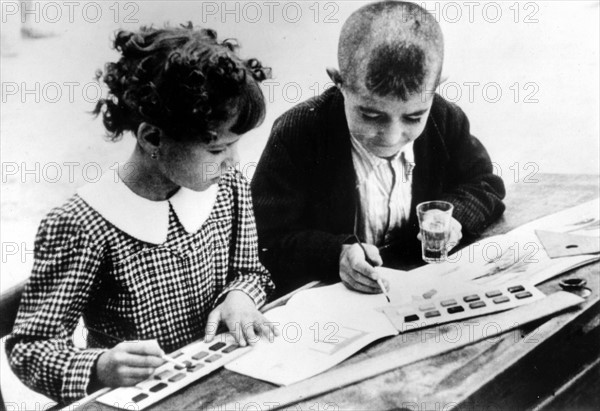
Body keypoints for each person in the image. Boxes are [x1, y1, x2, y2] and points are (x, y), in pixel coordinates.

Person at [6, 23, 276, 404]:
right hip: (141, 398)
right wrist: (99, 366)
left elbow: (249, 270)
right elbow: (31, 348)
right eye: (217, 151)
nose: (233, 163)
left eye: (235, 147)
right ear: (152, 138)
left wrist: (241, 296)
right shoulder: (85, 224)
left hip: (224, 384)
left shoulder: (226, 188)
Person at [251, 1, 506, 297]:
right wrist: (336, 254)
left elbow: (485, 185)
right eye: (371, 115)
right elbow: (264, 239)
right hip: (329, 303)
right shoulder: (299, 133)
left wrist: (456, 216)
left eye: (413, 117)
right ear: (339, 82)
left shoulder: (445, 119)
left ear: (436, 87)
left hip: (420, 290)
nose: (391, 136)